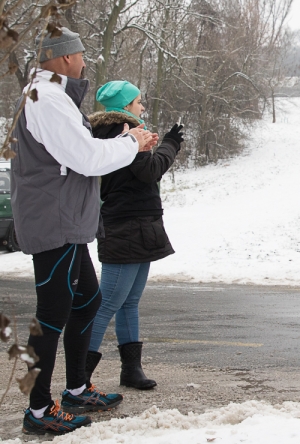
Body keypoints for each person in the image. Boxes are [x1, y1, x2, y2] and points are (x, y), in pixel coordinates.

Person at [10, 28, 156, 436]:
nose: (85, 61)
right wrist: (131, 142)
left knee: (87, 302)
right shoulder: (47, 99)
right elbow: (87, 158)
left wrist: (129, 141)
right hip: (53, 220)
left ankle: (76, 387)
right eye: (80, 54)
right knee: (52, 318)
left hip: (67, 219)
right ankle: (39, 411)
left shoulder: (52, 96)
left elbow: (78, 153)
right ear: (62, 58)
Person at [84, 80, 183, 391]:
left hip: (140, 225)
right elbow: (150, 170)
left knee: (129, 302)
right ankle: (79, 377)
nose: (143, 106)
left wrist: (153, 145)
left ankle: (131, 370)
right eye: (139, 101)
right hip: (124, 226)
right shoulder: (121, 132)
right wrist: (170, 143)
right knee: (107, 303)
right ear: (126, 107)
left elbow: (141, 170)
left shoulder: (124, 132)